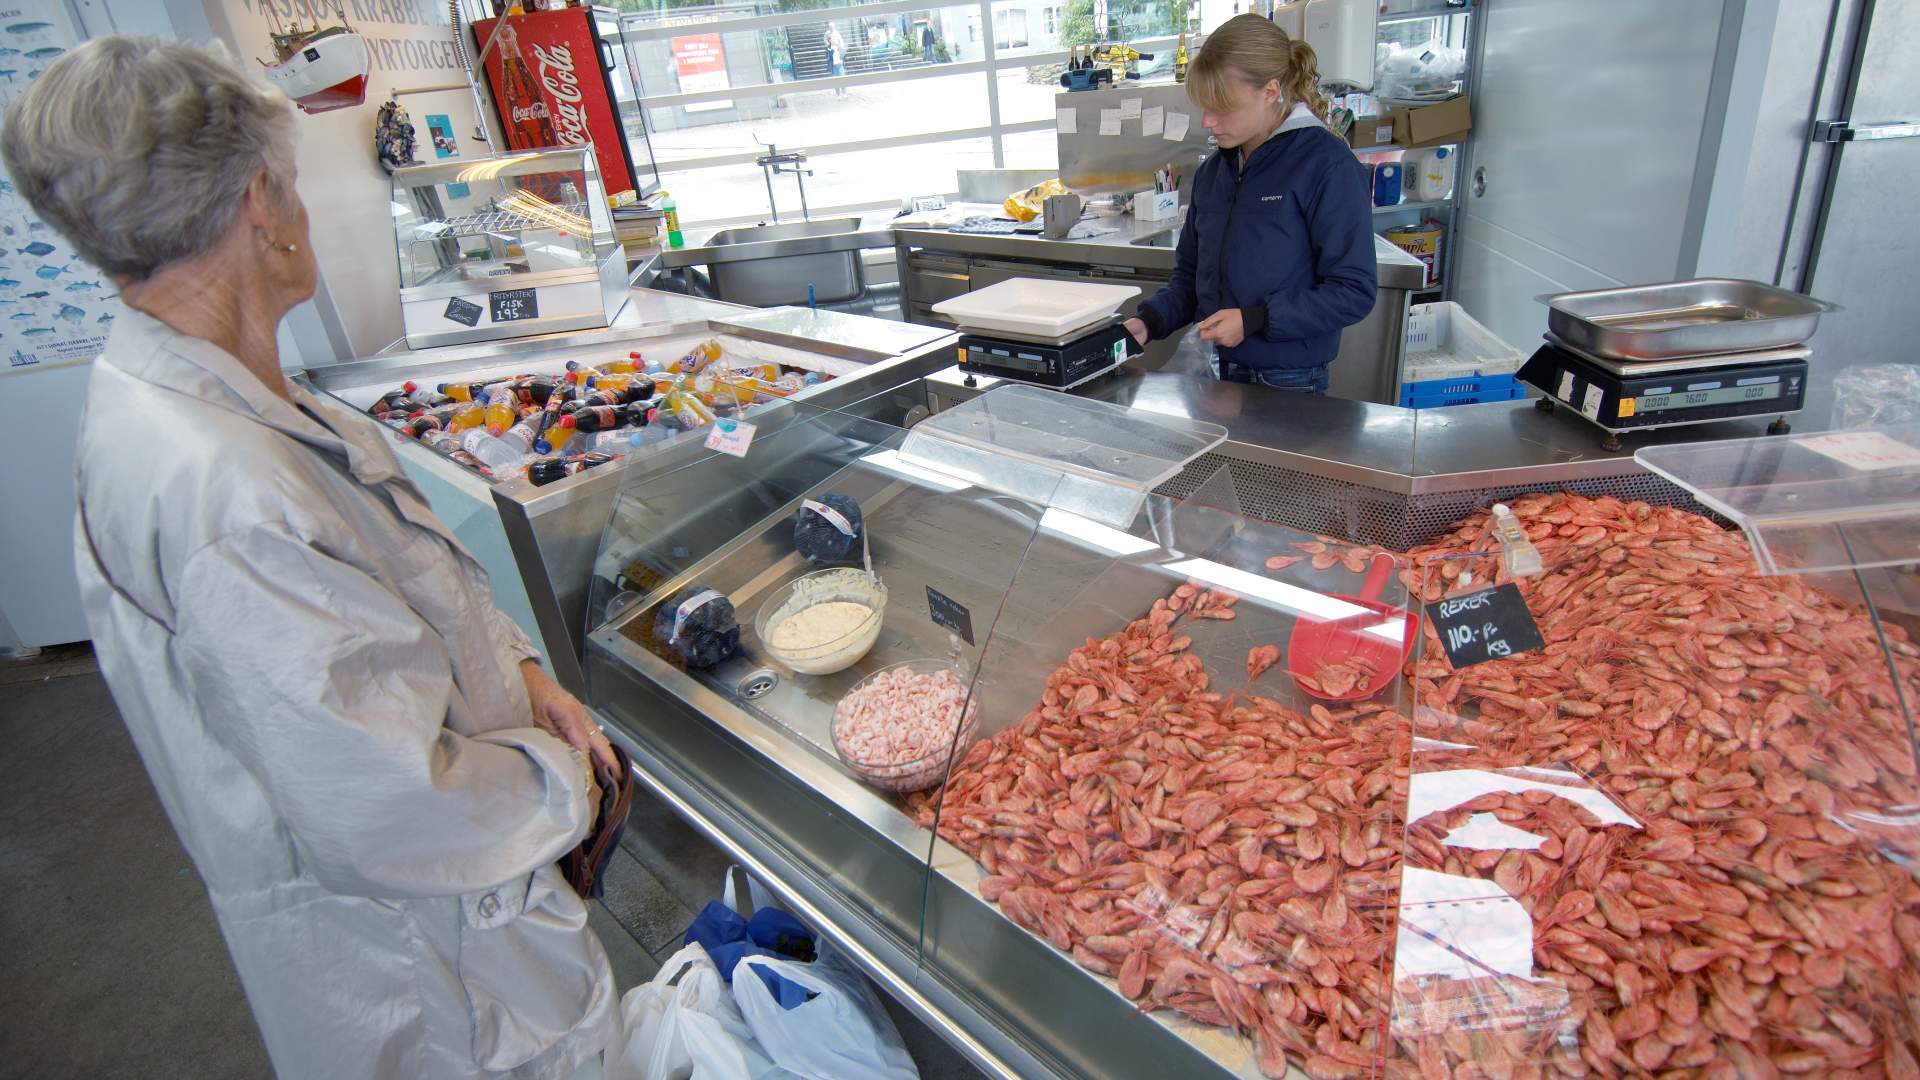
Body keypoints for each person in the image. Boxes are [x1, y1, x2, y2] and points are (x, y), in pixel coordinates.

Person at [2, 38, 622, 1079]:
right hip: (444, 974)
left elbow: (400, 610)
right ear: (259, 202)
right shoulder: (224, 487)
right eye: (289, 186)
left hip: (458, 911)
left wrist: (520, 674)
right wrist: (576, 779)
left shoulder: (214, 397)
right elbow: (395, 805)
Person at [1125, 15, 1376, 395]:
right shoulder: (1215, 172)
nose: (1209, 122)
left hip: (1287, 380)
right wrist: (1149, 321)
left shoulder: (1326, 165)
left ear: (1271, 91)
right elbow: (1190, 279)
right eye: (1204, 107)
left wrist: (1255, 320)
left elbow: (1353, 291)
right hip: (1212, 371)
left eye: (1223, 108)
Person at [826, 23, 848, 95]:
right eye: (832, 39)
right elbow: (828, 57)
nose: (833, 40)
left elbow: (843, 52)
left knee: (842, 78)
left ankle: (844, 93)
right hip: (833, 65)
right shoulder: (829, 48)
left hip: (839, 63)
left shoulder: (839, 46)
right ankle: (838, 94)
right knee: (835, 79)